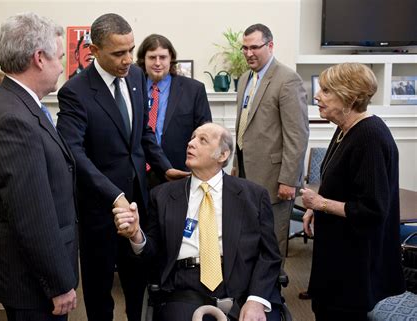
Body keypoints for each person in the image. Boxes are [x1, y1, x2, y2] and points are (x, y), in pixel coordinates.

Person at [56, 13, 188, 321]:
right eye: (119, 53)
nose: (129, 59)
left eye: (130, 49)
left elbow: (143, 134)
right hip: (99, 209)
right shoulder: (75, 92)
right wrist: (113, 195)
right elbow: (73, 154)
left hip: (138, 204)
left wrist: (165, 168)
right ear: (95, 51)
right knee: (100, 290)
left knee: (137, 284)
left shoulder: (136, 78)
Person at [113, 123, 283, 321]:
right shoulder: (163, 196)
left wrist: (256, 299)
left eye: (202, 140)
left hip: (243, 284)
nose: (191, 143)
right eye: (192, 137)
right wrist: (136, 234)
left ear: (223, 155)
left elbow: (270, 255)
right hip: (185, 287)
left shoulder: (253, 195)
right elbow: (151, 253)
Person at [0, 12, 78, 321]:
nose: (62, 67)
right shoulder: (13, 119)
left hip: (30, 273)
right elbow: (32, 215)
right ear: (39, 58)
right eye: (59, 58)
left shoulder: (14, 102)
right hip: (33, 281)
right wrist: (58, 284)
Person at [301, 63, 405, 321]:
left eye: (326, 91)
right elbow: (340, 184)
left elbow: (372, 210)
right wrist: (317, 209)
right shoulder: (344, 128)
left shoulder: (370, 136)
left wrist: (320, 203)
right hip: (336, 256)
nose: (317, 96)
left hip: (353, 264)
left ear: (349, 96)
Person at [231, 23, 309, 264]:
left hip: (276, 180)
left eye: (255, 47)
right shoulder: (245, 78)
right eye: (244, 48)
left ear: (270, 45)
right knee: (249, 239)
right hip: (246, 174)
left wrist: (288, 179)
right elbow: (243, 126)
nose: (248, 53)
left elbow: (297, 134)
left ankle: (273, 296)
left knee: (272, 243)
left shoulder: (288, 80)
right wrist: (236, 164)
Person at [136, 34, 212, 187]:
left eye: (163, 57)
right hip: (137, 173)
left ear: (171, 58)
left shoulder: (193, 90)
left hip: (179, 172)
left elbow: (206, 134)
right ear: (143, 60)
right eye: (152, 57)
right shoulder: (132, 89)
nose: (158, 63)